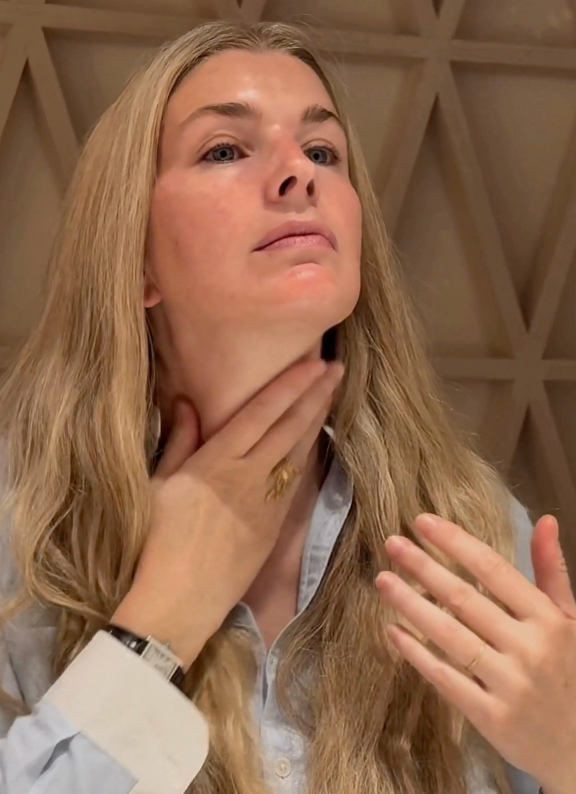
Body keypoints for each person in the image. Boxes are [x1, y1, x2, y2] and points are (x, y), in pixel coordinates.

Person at [0, 18, 574, 794]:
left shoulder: (473, 531)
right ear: (135, 258)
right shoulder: (21, 535)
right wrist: (155, 630)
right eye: (225, 150)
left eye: (324, 151)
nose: (298, 173)